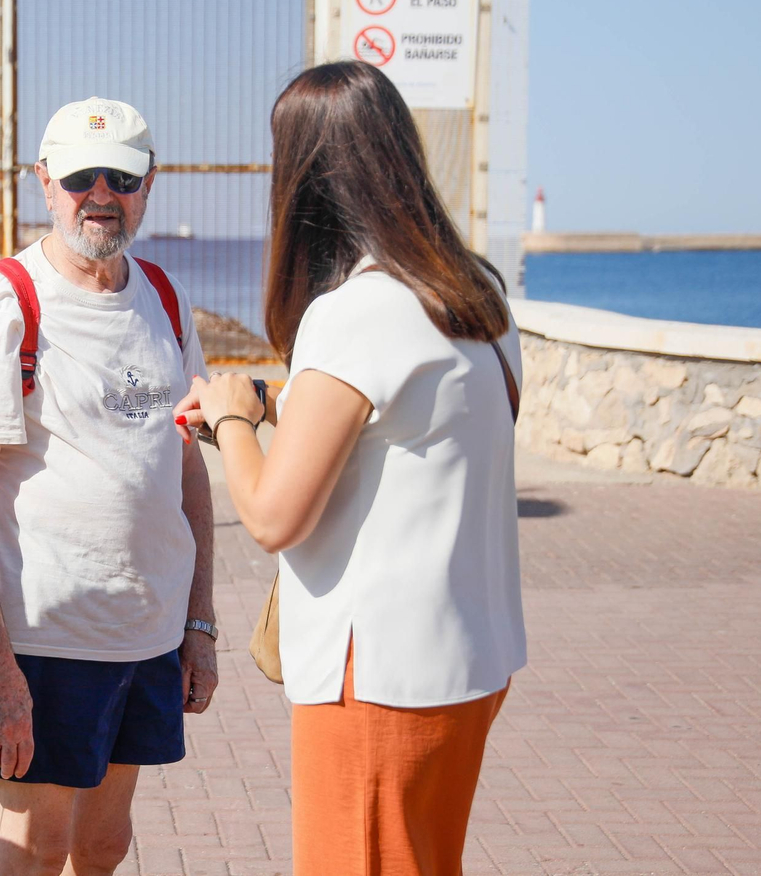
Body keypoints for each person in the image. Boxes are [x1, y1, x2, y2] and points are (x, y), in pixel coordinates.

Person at [175, 61, 526, 876]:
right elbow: (415, 433)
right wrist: (276, 404)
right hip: (469, 655)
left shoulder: (355, 313)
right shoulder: (476, 296)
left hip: (378, 678)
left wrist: (231, 417)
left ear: (304, 178)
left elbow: (273, 516)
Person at [0, 97, 218, 876]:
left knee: (102, 845)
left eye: (121, 176)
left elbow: (186, 465)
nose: (101, 194)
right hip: (49, 639)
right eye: (82, 176)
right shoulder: (8, 298)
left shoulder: (164, 296)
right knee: (35, 848)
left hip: (150, 634)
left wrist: (199, 623)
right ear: (45, 181)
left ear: (150, 182)